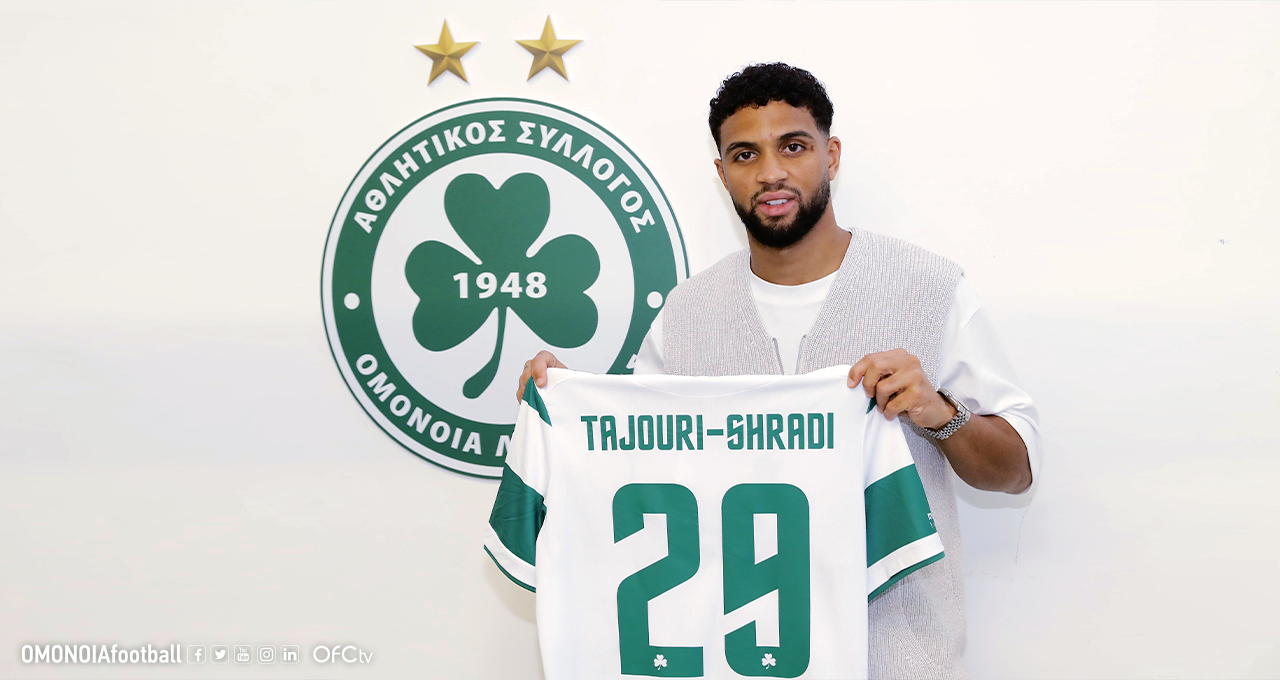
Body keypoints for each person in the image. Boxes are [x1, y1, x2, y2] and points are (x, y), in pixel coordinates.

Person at [516, 62, 1041, 679]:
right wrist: (569, 407)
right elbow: (634, 477)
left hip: (896, 662)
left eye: (793, 146)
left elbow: (1016, 472)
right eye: (745, 154)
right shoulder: (686, 315)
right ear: (722, 173)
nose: (770, 173)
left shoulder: (927, 288)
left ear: (830, 155)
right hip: (731, 660)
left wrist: (939, 413)